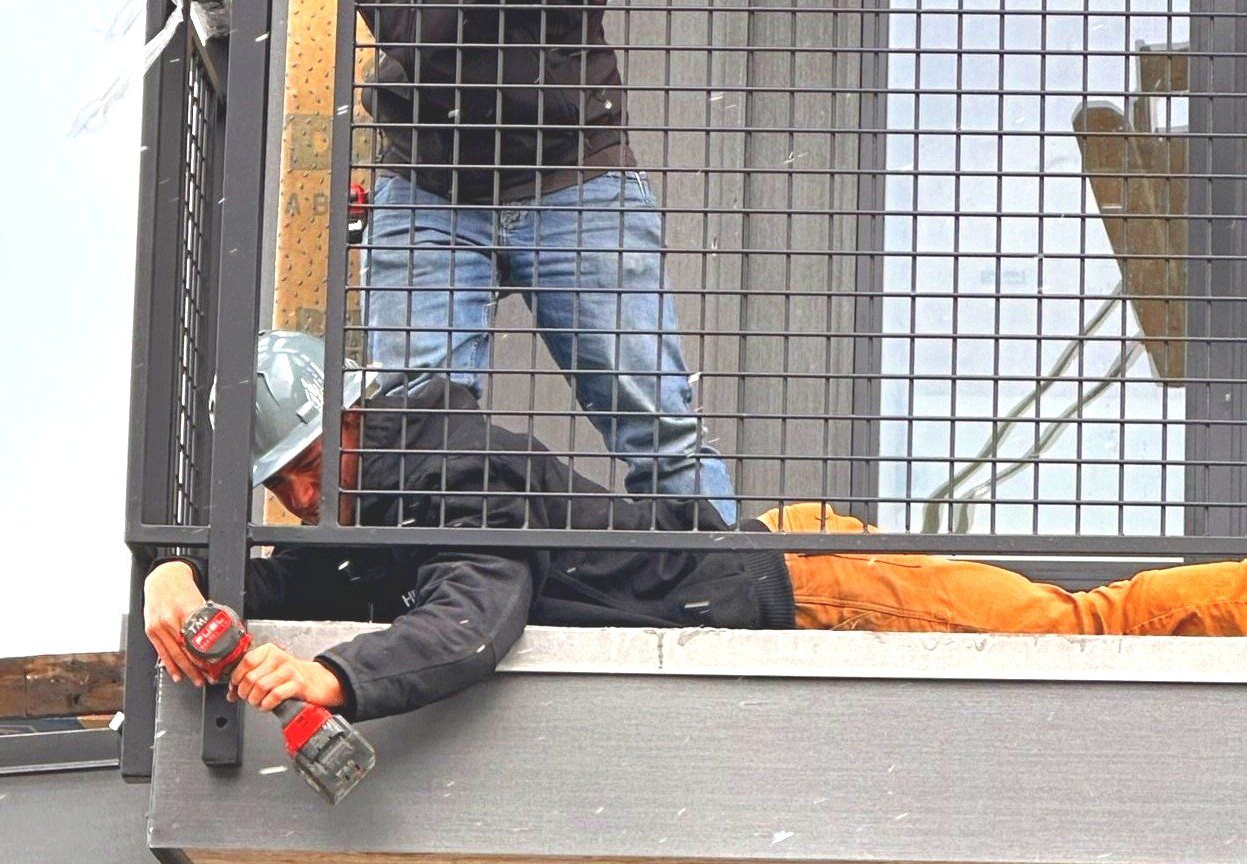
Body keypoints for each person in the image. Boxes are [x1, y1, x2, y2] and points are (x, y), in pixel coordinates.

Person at [144, 332, 1247, 724]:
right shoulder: (369, 514)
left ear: (346, 423)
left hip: (810, 584)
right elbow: (276, 585)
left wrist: (336, 683)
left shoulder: (448, 466)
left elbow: (473, 618)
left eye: (294, 473)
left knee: (1078, 629)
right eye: (276, 491)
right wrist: (175, 586)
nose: (291, 503)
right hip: (777, 592)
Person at [356, 0, 739, 524]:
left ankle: (728, 591)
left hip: (574, 165)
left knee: (660, 427)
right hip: (427, 176)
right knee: (413, 432)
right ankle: (432, 597)